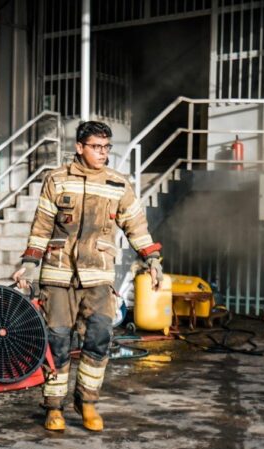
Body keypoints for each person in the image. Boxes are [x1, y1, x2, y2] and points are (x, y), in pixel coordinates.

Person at [12, 120, 162, 432]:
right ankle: (54, 407)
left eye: (106, 147)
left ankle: (88, 402)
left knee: (99, 339)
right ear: (80, 147)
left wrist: (152, 259)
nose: (103, 153)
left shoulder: (117, 184)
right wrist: (28, 262)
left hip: (98, 276)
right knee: (57, 342)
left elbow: (136, 225)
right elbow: (41, 224)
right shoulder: (57, 179)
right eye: (96, 147)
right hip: (58, 275)